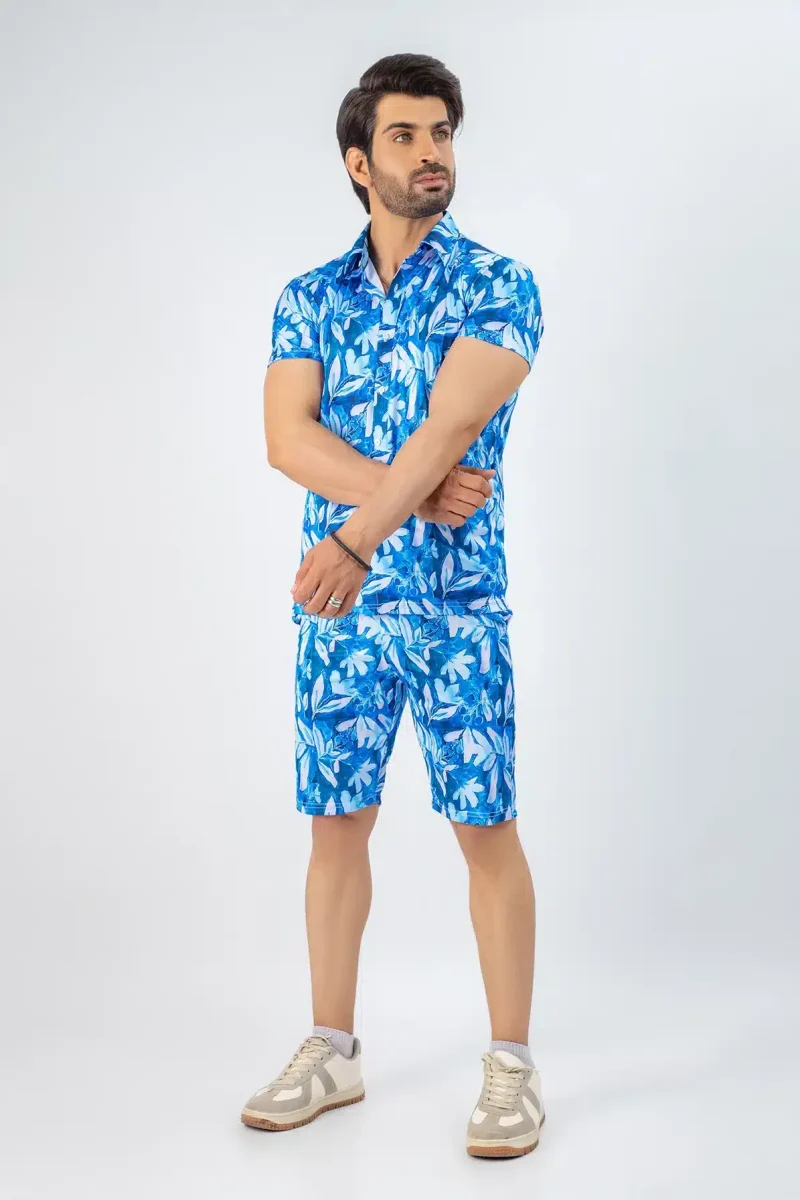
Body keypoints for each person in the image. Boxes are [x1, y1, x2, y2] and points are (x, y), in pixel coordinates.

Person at [241, 52, 545, 1159]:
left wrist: (355, 531)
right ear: (357, 162)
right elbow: (286, 440)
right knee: (336, 823)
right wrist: (410, 495)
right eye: (406, 136)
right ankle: (332, 1048)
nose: (431, 155)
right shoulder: (309, 298)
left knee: (484, 825)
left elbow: (452, 425)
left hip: (456, 607)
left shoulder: (499, 285)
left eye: (442, 134)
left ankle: (511, 1064)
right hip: (343, 613)